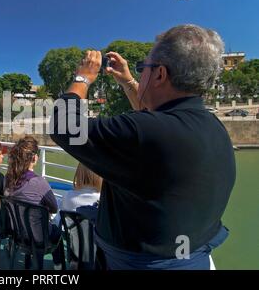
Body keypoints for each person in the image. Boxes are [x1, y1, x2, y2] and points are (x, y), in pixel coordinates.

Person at [50, 24, 235, 270]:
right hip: (194, 258)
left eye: (142, 68)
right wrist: (128, 81)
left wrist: (83, 77)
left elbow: (64, 126)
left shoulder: (144, 131)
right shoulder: (214, 127)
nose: (139, 74)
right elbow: (156, 117)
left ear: (159, 74)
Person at [4, 136, 65, 269]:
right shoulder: (39, 182)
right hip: (39, 238)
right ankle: (59, 266)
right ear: (34, 158)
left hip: (18, 235)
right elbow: (54, 208)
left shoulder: (7, 179)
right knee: (56, 230)